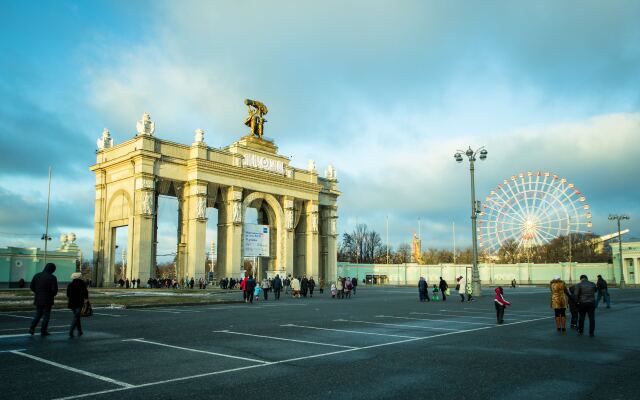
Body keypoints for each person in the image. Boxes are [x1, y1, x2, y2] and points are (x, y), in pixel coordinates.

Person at [29, 263, 59, 336]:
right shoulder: (52, 277)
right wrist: (52, 294)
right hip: (48, 300)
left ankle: (32, 327)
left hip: (38, 299)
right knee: (46, 316)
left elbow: (31, 287)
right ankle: (43, 331)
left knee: (38, 314)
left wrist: (37, 292)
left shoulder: (37, 275)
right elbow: (54, 289)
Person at [66, 272, 88, 337]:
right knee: (76, 317)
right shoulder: (82, 283)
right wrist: (86, 299)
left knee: (77, 316)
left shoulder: (70, 284)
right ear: (79, 277)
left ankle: (79, 330)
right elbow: (85, 292)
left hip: (72, 302)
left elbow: (68, 294)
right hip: (79, 302)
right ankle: (71, 331)